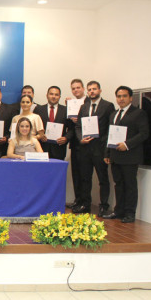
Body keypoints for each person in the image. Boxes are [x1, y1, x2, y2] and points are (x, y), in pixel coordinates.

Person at [103, 86, 149, 223]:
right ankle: (118, 211)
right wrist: (107, 153)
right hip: (116, 156)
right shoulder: (114, 114)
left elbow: (144, 133)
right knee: (118, 184)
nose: (121, 99)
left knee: (130, 185)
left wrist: (127, 144)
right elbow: (110, 135)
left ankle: (129, 213)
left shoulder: (139, 113)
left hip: (130, 156)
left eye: (124, 96)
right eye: (118, 96)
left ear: (130, 98)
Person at [73, 80, 115, 216]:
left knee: (103, 179)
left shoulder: (108, 106)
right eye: (90, 89)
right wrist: (80, 139)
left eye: (94, 89)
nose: (92, 91)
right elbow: (78, 126)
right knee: (85, 178)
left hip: (100, 148)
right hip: (85, 148)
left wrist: (107, 149)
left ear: (100, 90)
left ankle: (103, 206)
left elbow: (111, 127)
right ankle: (86, 204)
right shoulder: (84, 107)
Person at [67, 79, 90, 210]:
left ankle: (85, 202)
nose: (76, 90)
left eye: (78, 88)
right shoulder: (70, 103)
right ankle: (78, 199)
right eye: (73, 88)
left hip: (87, 144)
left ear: (83, 88)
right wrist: (72, 119)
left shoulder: (89, 103)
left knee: (84, 175)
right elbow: (69, 127)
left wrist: (79, 119)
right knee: (75, 173)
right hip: (75, 144)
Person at [34, 86, 75, 160]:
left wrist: (66, 138)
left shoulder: (66, 110)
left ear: (60, 96)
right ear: (47, 95)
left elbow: (72, 129)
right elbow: (33, 128)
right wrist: (39, 135)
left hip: (59, 149)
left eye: (56, 95)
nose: (53, 96)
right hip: (41, 148)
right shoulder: (38, 109)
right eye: (51, 94)